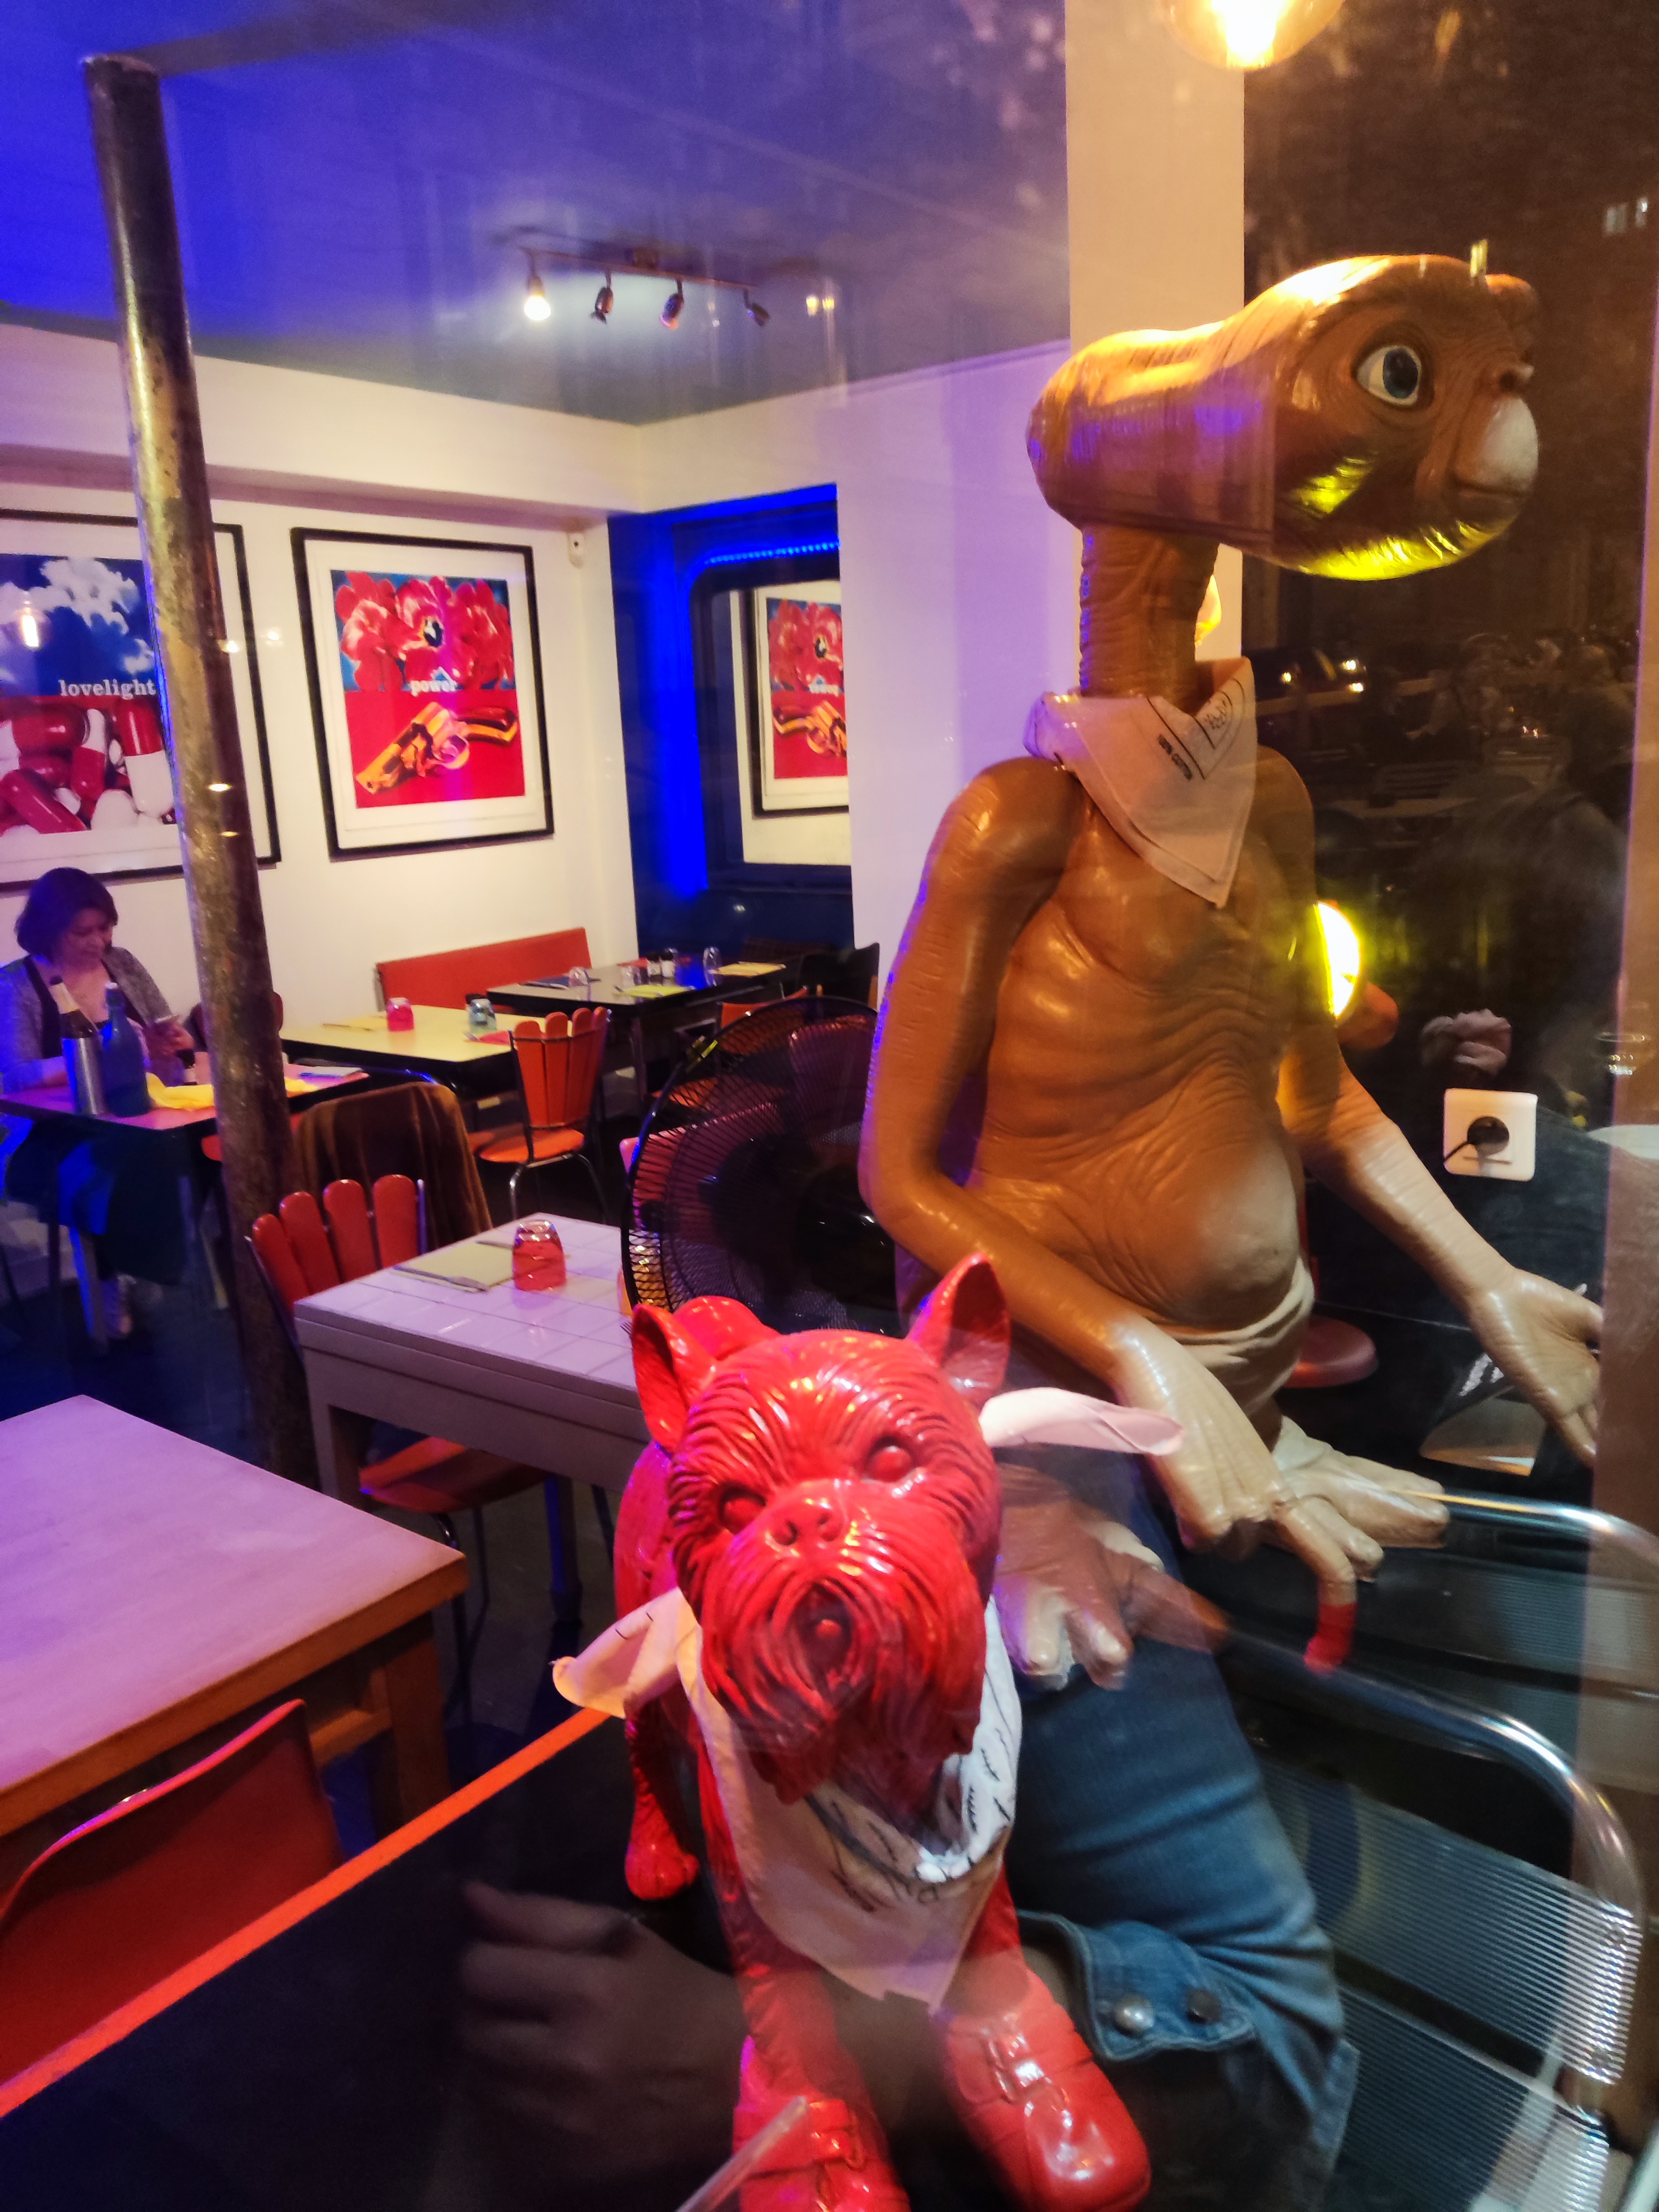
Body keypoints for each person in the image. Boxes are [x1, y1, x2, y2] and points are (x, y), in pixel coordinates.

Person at [0, 867, 196, 1333]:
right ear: (49, 929)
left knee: (198, 1150)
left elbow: (163, 1033)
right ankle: (125, 1271)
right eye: (82, 932)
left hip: (137, 1110)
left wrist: (175, 1043)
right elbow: (15, 1077)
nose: (98, 942)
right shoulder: (16, 983)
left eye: (104, 928)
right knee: (136, 1156)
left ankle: (136, 1267)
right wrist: (92, 1055)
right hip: (52, 1132)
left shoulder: (123, 964)